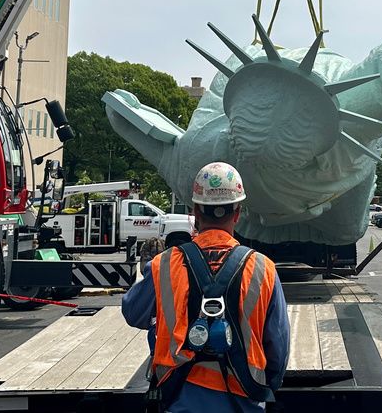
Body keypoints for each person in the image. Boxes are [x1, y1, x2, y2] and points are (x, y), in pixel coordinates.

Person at [122, 162, 289, 413]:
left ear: (195, 212)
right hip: (245, 400)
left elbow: (133, 313)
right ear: (237, 213)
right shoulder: (263, 268)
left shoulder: (164, 265)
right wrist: (265, 386)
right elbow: (278, 344)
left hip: (179, 399)